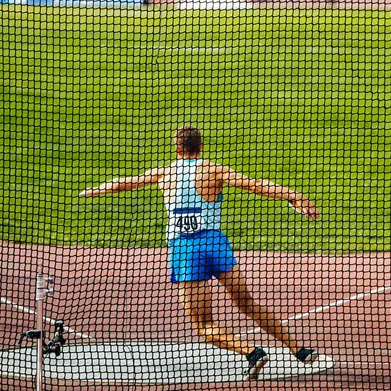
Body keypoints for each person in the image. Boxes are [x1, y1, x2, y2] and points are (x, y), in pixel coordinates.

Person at [79, 126, 321, 380]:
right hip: (216, 245)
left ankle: (252, 352)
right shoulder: (214, 170)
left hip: (186, 251)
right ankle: (299, 350)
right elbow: (256, 185)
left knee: (204, 326)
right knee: (248, 304)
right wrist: (296, 197)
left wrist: (95, 190)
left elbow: (124, 183)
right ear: (201, 147)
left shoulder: (164, 174)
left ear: (177, 149)